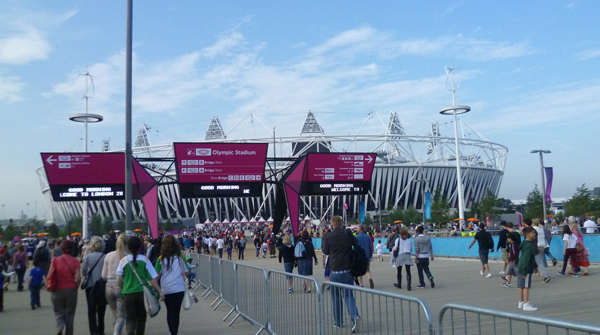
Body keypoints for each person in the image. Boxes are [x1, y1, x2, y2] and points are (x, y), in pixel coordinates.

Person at [116, 236, 164, 335]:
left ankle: (130, 333)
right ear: (139, 247)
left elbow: (119, 279)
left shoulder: (124, 261)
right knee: (141, 318)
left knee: (130, 318)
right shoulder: (145, 260)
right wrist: (160, 291)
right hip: (142, 293)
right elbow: (152, 279)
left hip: (128, 293)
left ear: (128, 247)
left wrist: (122, 288)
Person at [322, 215, 360, 332]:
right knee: (348, 296)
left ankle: (338, 322)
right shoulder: (347, 234)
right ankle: (355, 317)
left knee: (336, 297)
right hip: (347, 270)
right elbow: (356, 242)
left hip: (335, 271)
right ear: (342, 223)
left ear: (332, 225)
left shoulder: (328, 236)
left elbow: (325, 251)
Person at [155, 235, 188, 335]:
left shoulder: (160, 259)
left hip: (166, 289)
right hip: (178, 288)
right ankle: (174, 332)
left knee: (169, 311)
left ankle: (171, 331)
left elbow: (157, 276)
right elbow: (186, 272)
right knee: (176, 313)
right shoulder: (180, 257)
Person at [49, 240, 81, 335]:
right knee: (70, 314)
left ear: (61, 249)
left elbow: (49, 275)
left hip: (57, 290)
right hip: (71, 290)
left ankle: (59, 328)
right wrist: (76, 287)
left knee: (58, 312)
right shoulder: (75, 261)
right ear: (72, 249)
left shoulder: (54, 260)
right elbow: (78, 278)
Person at [102, 233, 128, 335]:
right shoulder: (127, 257)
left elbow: (103, 275)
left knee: (114, 312)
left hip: (109, 287)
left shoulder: (108, 255)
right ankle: (116, 332)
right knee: (121, 315)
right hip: (121, 287)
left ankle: (116, 330)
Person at [82, 236, 108, 335]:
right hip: (102, 285)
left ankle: (93, 331)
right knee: (102, 308)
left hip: (90, 285)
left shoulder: (87, 257)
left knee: (91, 309)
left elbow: (84, 272)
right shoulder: (105, 257)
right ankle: (101, 330)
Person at [517, 227, 538, 311]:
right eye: (533, 233)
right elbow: (528, 258)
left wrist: (535, 266)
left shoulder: (524, 243)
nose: (534, 234)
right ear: (528, 234)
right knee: (526, 286)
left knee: (521, 286)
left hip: (520, 266)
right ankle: (526, 304)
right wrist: (526, 271)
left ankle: (521, 302)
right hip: (526, 268)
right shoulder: (529, 245)